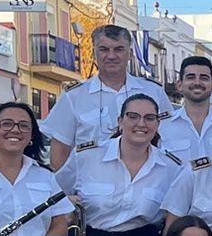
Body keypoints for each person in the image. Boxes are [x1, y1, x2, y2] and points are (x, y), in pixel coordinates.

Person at [55, 93, 182, 236]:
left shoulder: (171, 168)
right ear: (120, 121)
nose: (141, 124)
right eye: (133, 116)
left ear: (157, 124)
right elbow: (53, 193)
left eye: (149, 118)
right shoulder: (87, 156)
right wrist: (67, 203)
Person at [41, 23, 168, 170]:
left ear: (130, 54)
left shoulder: (154, 92)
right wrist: (68, 191)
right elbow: (60, 153)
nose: (111, 56)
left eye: (119, 49)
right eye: (104, 49)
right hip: (92, 187)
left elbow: (169, 140)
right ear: (94, 53)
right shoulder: (74, 96)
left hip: (144, 182)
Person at [158, 56, 212, 162]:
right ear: (179, 85)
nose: (197, 83)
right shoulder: (161, 125)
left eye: (204, 78)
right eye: (190, 77)